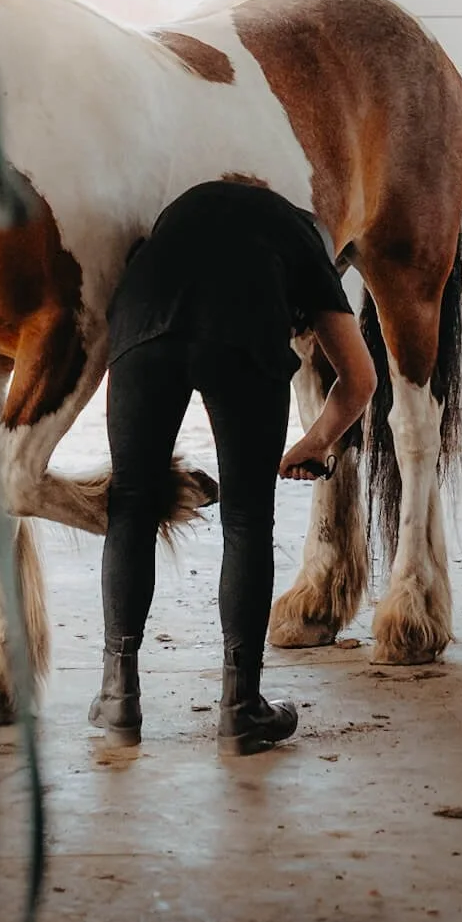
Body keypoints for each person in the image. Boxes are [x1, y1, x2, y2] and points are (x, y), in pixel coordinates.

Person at [93, 179, 378, 757]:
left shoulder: (181, 208)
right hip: (242, 333)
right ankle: (241, 709)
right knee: (247, 521)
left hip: (143, 327)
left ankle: (118, 696)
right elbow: (360, 378)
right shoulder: (307, 239)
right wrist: (316, 441)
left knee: (131, 504)